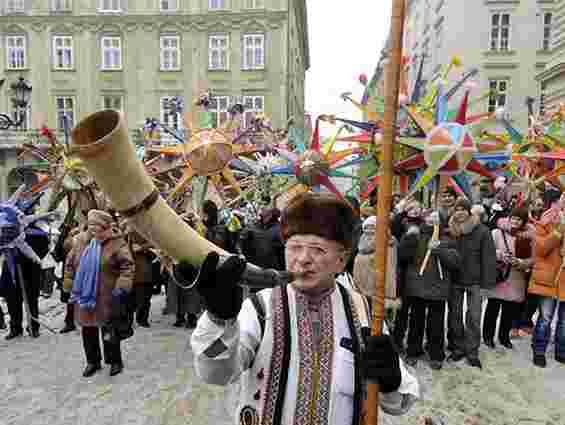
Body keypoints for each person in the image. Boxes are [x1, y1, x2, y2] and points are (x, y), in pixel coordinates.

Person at [190, 193, 419, 425]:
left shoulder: (364, 313)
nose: (303, 259)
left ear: (341, 259)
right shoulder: (260, 307)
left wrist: (391, 379)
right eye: (294, 247)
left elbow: (398, 403)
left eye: (318, 249)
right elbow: (216, 373)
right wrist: (219, 320)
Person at [63, 210, 134, 377]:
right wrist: (68, 281)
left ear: (106, 227)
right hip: (85, 294)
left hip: (107, 295)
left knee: (108, 329)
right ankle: (92, 361)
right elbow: (70, 263)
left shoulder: (117, 243)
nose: (95, 233)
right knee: (88, 330)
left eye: (98, 230)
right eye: (92, 229)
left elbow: (127, 266)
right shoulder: (80, 242)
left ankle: (114, 361)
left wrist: (122, 286)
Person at [398, 212, 460, 370]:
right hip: (416, 286)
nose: (432, 221)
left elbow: (455, 262)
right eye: (430, 217)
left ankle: (436, 354)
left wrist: (439, 249)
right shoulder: (416, 235)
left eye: (436, 218)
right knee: (415, 322)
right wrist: (407, 238)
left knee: (436, 324)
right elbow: (403, 256)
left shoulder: (448, 239)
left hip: (438, 289)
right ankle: (413, 350)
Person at [447, 198, 496, 369]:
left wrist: (487, 285)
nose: (459, 212)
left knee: (474, 317)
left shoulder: (482, 231)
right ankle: (458, 347)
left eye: (463, 209)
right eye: (457, 209)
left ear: (469, 211)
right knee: (455, 316)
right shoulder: (451, 230)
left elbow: (489, 259)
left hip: (475, 281)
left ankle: (472, 351)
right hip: (455, 279)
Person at [482, 207, 533, 350]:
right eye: (513, 218)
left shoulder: (529, 237)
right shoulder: (496, 233)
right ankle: (488, 336)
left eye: (519, 219)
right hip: (499, 276)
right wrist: (500, 255)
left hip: (516, 277)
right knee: (492, 308)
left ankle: (504, 337)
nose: (515, 222)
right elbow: (487, 250)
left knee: (509, 311)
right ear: (509, 218)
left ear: (523, 222)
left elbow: (533, 258)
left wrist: (521, 262)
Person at [529, 193, 565, 367]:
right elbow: (541, 248)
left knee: (564, 320)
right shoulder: (545, 220)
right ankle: (539, 350)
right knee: (545, 317)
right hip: (549, 277)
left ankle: (561, 350)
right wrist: (559, 232)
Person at [0, 224, 49, 339]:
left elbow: (43, 249)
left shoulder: (35, 231)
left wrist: (25, 256)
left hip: (30, 270)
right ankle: (15, 327)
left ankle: (33, 326)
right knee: (12, 301)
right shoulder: (5, 230)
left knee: (31, 299)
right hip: (11, 270)